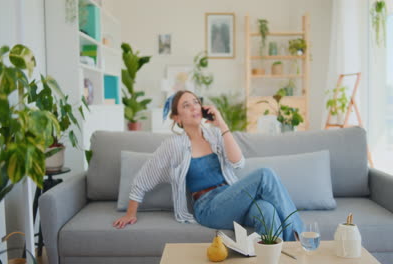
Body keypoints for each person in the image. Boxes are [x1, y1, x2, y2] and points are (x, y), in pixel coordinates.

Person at [113, 90, 303, 241]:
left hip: (232, 198)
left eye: (196, 102)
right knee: (265, 174)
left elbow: (238, 162)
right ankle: (298, 241)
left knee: (267, 211)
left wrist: (221, 124)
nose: (194, 107)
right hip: (209, 208)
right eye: (186, 105)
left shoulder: (214, 135)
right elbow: (143, 178)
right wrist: (130, 213)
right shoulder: (174, 145)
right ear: (177, 118)